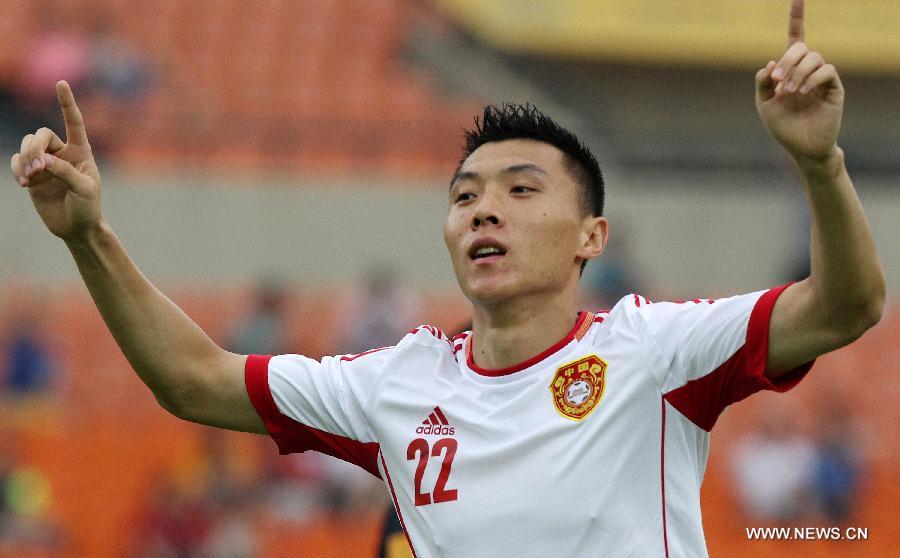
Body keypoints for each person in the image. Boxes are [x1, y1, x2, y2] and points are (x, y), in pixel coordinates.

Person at [8, 1, 885, 556]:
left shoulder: (654, 353)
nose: (483, 210)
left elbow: (848, 305)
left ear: (593, 236)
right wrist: (90, 236)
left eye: (519, 189)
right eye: (466, 194)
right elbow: (193, 379)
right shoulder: (397, 385)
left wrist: (819, 165)